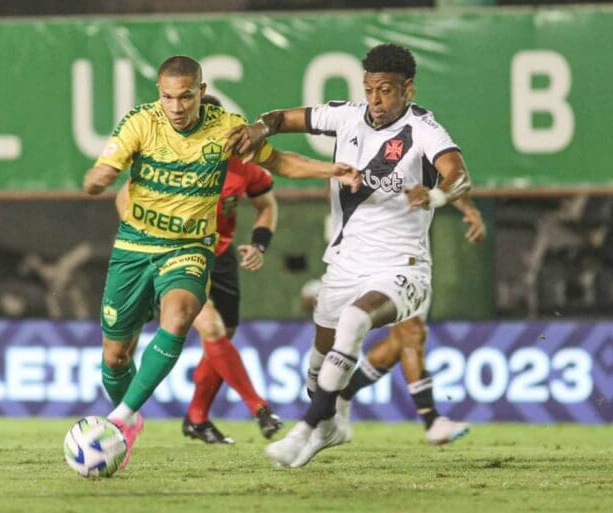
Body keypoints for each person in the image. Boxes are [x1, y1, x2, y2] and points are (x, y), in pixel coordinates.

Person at [83, 55, 360, 469]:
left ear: (202, 92)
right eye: (168, 98)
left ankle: (120, 421)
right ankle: (132, 413)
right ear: (158, 94)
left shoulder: (227, 130)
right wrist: (98, 178)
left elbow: (278, 162)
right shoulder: (141, 121)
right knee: (115, 357)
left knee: (180, 317)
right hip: (135, 248)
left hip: (190, 249)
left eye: (185, 97)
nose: (176, 107)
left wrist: (330, 169)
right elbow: (106, 168)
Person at [226, 43, 472, 468]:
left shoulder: (424, 129)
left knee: (356, 320)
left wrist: (433, 194)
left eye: (387, 91)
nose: (376, 100)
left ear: (407, 89)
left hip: (402, 266)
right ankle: (332, 423)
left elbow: (458, 174)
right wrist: (257, 129)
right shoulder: (346, 115)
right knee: (317, 366)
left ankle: (304, 429)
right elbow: (282, 119)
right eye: (370, 89)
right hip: (343, 264)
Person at [114, 95, 283, 444]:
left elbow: (266, 204)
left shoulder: (241, 165)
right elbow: (124, 197)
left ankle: (197, 417)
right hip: (181, 255)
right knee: (212, 326)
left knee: (223, 337)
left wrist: (259, 243)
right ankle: (259, 407)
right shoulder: (168, 159)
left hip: (220, 258)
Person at [323, 196, 486, 445]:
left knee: (400, 342)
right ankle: (432, 421)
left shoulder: (419, 159)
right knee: (412, 332)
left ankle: (343, 393)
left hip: (413, 259)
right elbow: (338, 180)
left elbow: (448, 177)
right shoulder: (360, 160)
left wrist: (470, 210)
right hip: (373, 260)